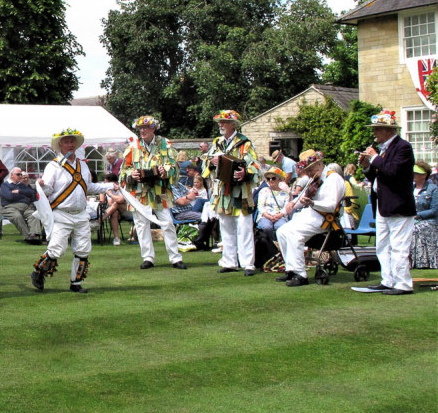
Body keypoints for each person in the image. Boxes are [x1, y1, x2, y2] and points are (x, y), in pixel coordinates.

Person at [31, 128, 110, 293]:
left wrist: (110, 186)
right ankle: (38, 272)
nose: (70, 144)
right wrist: (42, 185)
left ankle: (76, 283)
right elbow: (47, 191)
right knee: (57, 249)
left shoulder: (82, 165)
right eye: (66, 142)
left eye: (72, 141)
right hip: (61, 213)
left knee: (83, 249)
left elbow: (89, 187)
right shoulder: (53, 166)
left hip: (81, 213)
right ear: (60, 145)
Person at [352, 110, 417, 295]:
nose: (374, 134)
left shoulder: (403, 147)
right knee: (382, 245)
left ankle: (403, 283)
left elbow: (393, 171)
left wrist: (374, 158)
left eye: (377, 130)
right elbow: (377, 176)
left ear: (387, 131)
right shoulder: (384, 150)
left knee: (398, 246)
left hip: (399, 206)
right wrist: (366, 165)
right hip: (383, 205)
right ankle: (388, 280)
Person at [119, 115, 186, 270]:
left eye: (145, 128)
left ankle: (175, 258)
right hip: (140, 192)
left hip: (159, 190)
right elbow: (124, 170)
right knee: (141, 225)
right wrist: (131, 174)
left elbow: (174, 166)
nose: (142, 131)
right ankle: (148, 257)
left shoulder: (165, 144)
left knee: (167, 222)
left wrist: (165, 171)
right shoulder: (133, 146)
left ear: (153, 128)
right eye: (140, 128)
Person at [200, 110, 261, 276]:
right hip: (223, 192)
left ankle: (248, 264)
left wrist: (245, 173)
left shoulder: (245, 143)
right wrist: (211, 162)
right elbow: (206, 163)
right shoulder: (217, 142)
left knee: (244, 226)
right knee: (225, 226)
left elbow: (255, 165)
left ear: (233, 125)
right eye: (219, 122)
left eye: (224, 122)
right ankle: (229, 261)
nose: (220, 124)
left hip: (241, 191)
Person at [274, 151, 346, 286]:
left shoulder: (333, 179)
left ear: (319, 164)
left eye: (310, 169)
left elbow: (331, 206)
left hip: (325, 219)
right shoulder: (315, 179)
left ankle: (301, 274)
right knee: (282, 231)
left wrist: (312, 203)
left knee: (294, 233)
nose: (308, 173)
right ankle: (291, 269)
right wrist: (291, 205)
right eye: (306, 170)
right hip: (311, 215)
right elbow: (303, 198)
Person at [0, 167, 43, 244]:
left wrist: (19, 191)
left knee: (34, 215)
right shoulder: (5, 185)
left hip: (25, 207)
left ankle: (34, 236)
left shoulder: (21, 185)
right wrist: (23, 195)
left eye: (21, 174)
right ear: (12, 175)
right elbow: (9, 197)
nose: (20, 176)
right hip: (10, 207)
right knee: (17, 216)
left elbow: (32, 193)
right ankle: (27, 236)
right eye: (18, 174)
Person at [411, 160, 438, 269]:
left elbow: (435, 210)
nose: (413, 176)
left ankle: (421, 262)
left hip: (429, 221)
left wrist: (418, 215)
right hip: (410, 219)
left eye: (416, 174)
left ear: (424, 175)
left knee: (414, 229)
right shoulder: (409, 189)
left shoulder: (433, 189)